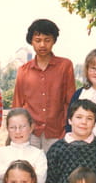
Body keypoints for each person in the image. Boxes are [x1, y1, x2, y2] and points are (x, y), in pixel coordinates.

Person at [13, 18, 75, 152]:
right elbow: (17, 104)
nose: (42, 45)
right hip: (29, 133)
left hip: (57, 131)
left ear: (54, 41)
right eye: (38, 40)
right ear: (31, 41)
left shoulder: (65, 66)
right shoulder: (23, 71)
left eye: (47, 40)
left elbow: (70, 101)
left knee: (54, 165)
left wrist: (68, 129)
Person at [0, 108, 47, 183]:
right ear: (7, 129)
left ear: (31, 128)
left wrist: (9, 169)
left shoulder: (38, 154)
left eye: (22, 127)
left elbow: (41, 179)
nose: (17, 131)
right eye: (12, 127)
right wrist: (31, 170)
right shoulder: (0, 152)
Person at [65, 48, 96, 139]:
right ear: (87, 70)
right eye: (93, 68)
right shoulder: (79, 93)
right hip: (79, 143)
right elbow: (69, 120)